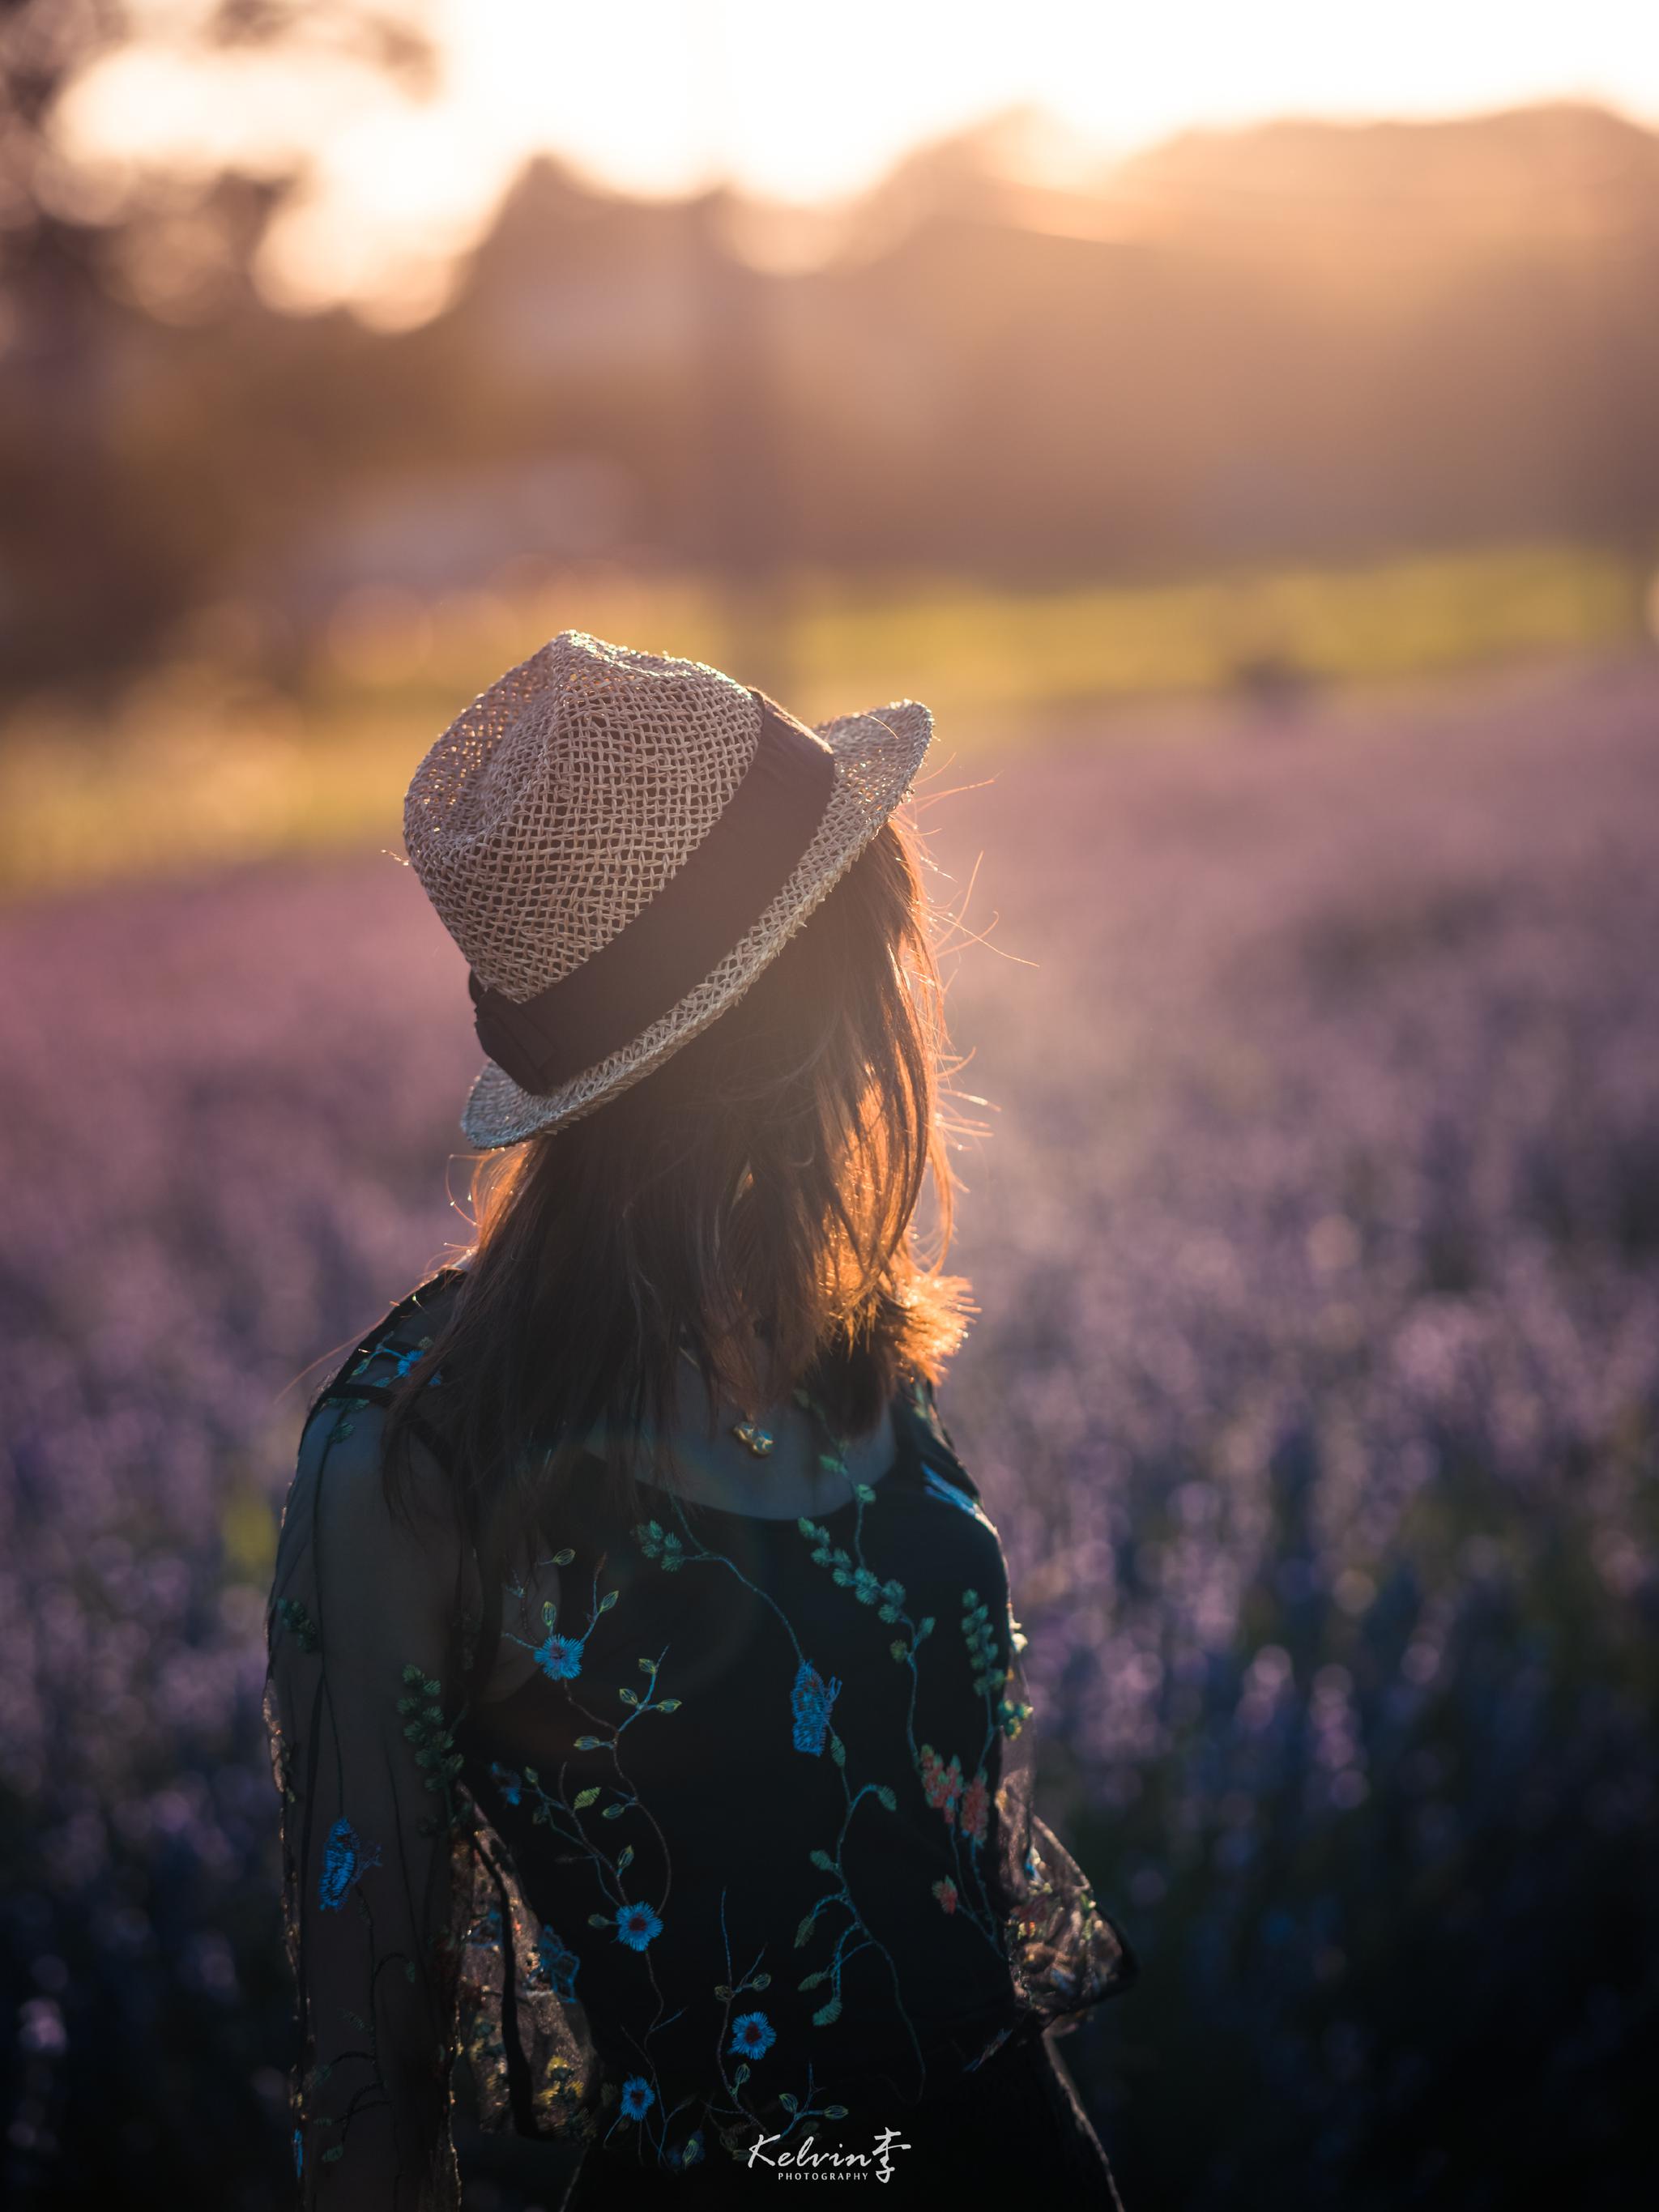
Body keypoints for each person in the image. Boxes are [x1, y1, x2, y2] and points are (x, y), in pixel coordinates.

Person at [263, 633, 1136, 2209]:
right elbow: (367, 2083)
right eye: (865, 944)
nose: (901, 1007)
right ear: (776, 1023)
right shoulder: (412, 1455)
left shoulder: (844, 1338)